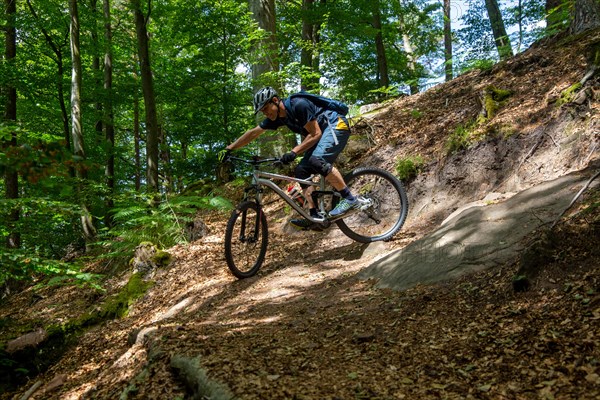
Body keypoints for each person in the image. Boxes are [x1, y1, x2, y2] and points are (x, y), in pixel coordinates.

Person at [220, 86, 358, 230]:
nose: (265, 114)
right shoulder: (277, 118)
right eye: (262, 111)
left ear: (275, 100)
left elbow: (315, 134)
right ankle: (314, 215)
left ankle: (350, 199)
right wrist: (229, 148)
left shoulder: (299, 104)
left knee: (317, 161)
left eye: (266, 109)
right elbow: (253, 133)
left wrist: (294, 152)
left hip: (335, 125)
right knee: (301, 171)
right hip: (322, 133)